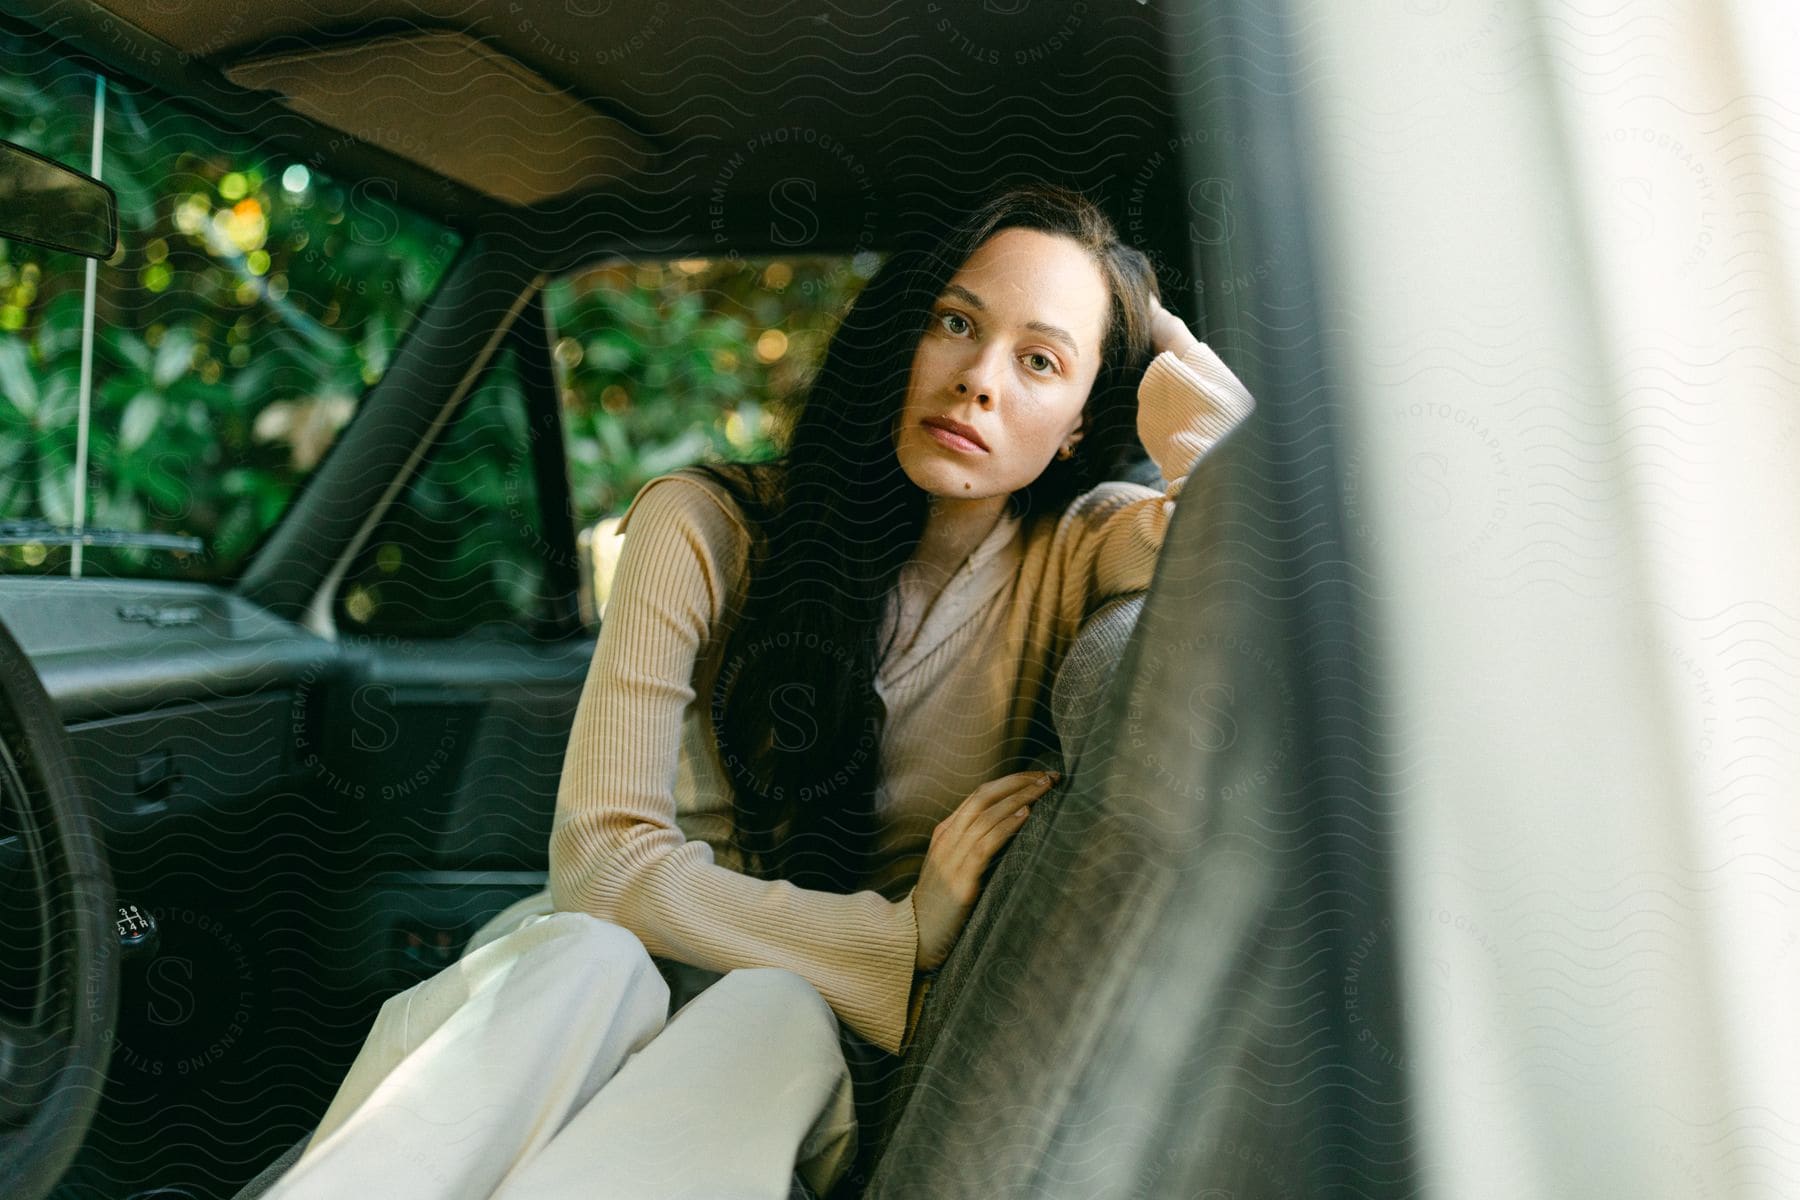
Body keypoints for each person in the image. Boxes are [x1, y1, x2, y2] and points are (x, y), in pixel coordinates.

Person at [260, 181, 1256, 1200]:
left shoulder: (1081, 549)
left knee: (768, 1009)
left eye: (1040, 360)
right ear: (902, 334)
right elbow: (601, 865)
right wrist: (903, 934)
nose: (978, 380)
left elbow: (1276, 561)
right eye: (955, 322)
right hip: (605, 985)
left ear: (1083, 423)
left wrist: (1194, 394)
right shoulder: (702, 526)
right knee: (584, 960)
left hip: (813, 1028)